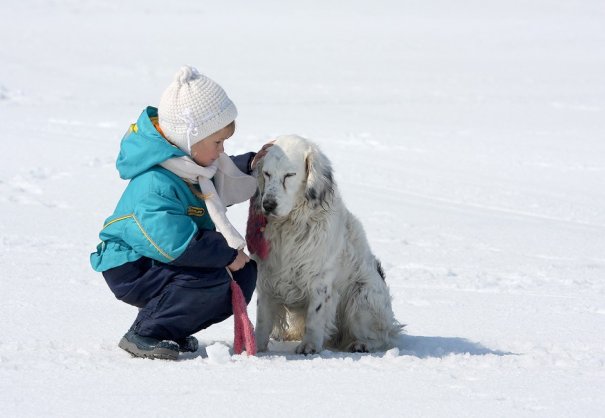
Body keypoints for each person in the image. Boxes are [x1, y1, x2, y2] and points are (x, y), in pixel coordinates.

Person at [90, 65, 271, 360]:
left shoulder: (193, 168)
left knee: (242, 277)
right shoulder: (155, 184)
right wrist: (226, 253)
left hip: (166, 258)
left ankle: (169, 327)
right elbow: (176, 244)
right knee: (211, 278)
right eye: (217, 142)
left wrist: (254, 164)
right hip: (132, 265)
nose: (222, 151)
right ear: (190, 139)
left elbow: (223, 176)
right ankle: (147, 333)